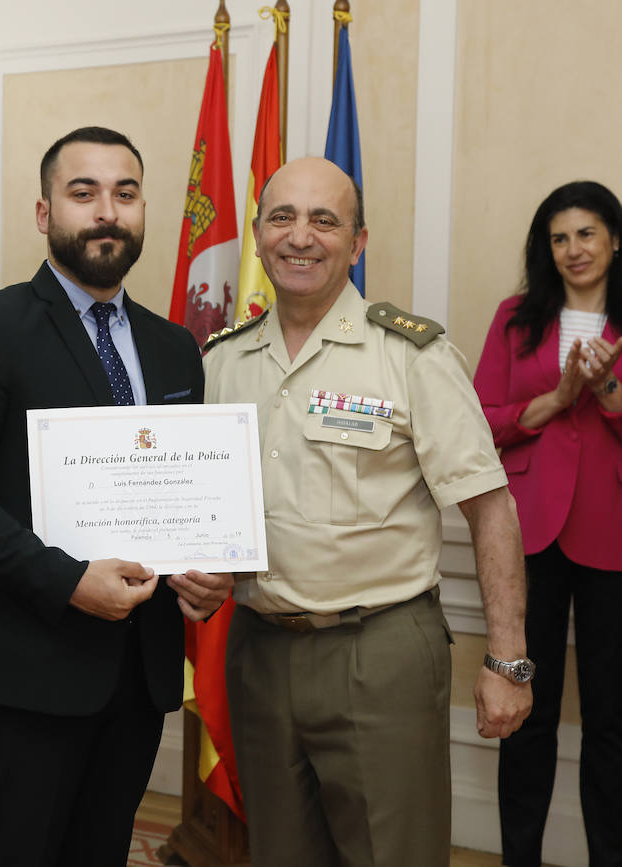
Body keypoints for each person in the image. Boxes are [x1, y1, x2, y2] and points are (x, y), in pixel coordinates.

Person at [0, 126, 232, 867]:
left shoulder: (175, 346)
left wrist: (203, 567)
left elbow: (178, 491)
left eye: (125, 193)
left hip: (140, 672)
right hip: (31, 666)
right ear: (44, 211)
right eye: (83, 193)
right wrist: (67, 580)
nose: (106, 211)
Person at [202, 157, 533, 866]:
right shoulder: (221, 362)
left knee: (394, 854)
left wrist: (508, 659)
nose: (301, 236)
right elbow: (207, 506)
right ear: (257, 237)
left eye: (325, 220)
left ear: (359, 242)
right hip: (258, 648)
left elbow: (490, 506)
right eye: (283, 217)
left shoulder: (412, 354)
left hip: (378, 649)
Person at [474, 181, 622, 867]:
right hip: (527, 533)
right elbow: (484, 422)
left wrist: (608, 393)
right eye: (559, 237)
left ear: (615, 239)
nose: (573, 250)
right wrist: (558, 397)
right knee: (523, 714)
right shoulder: (515, 317)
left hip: (612, 533)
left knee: (611, 721)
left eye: (586, 234)